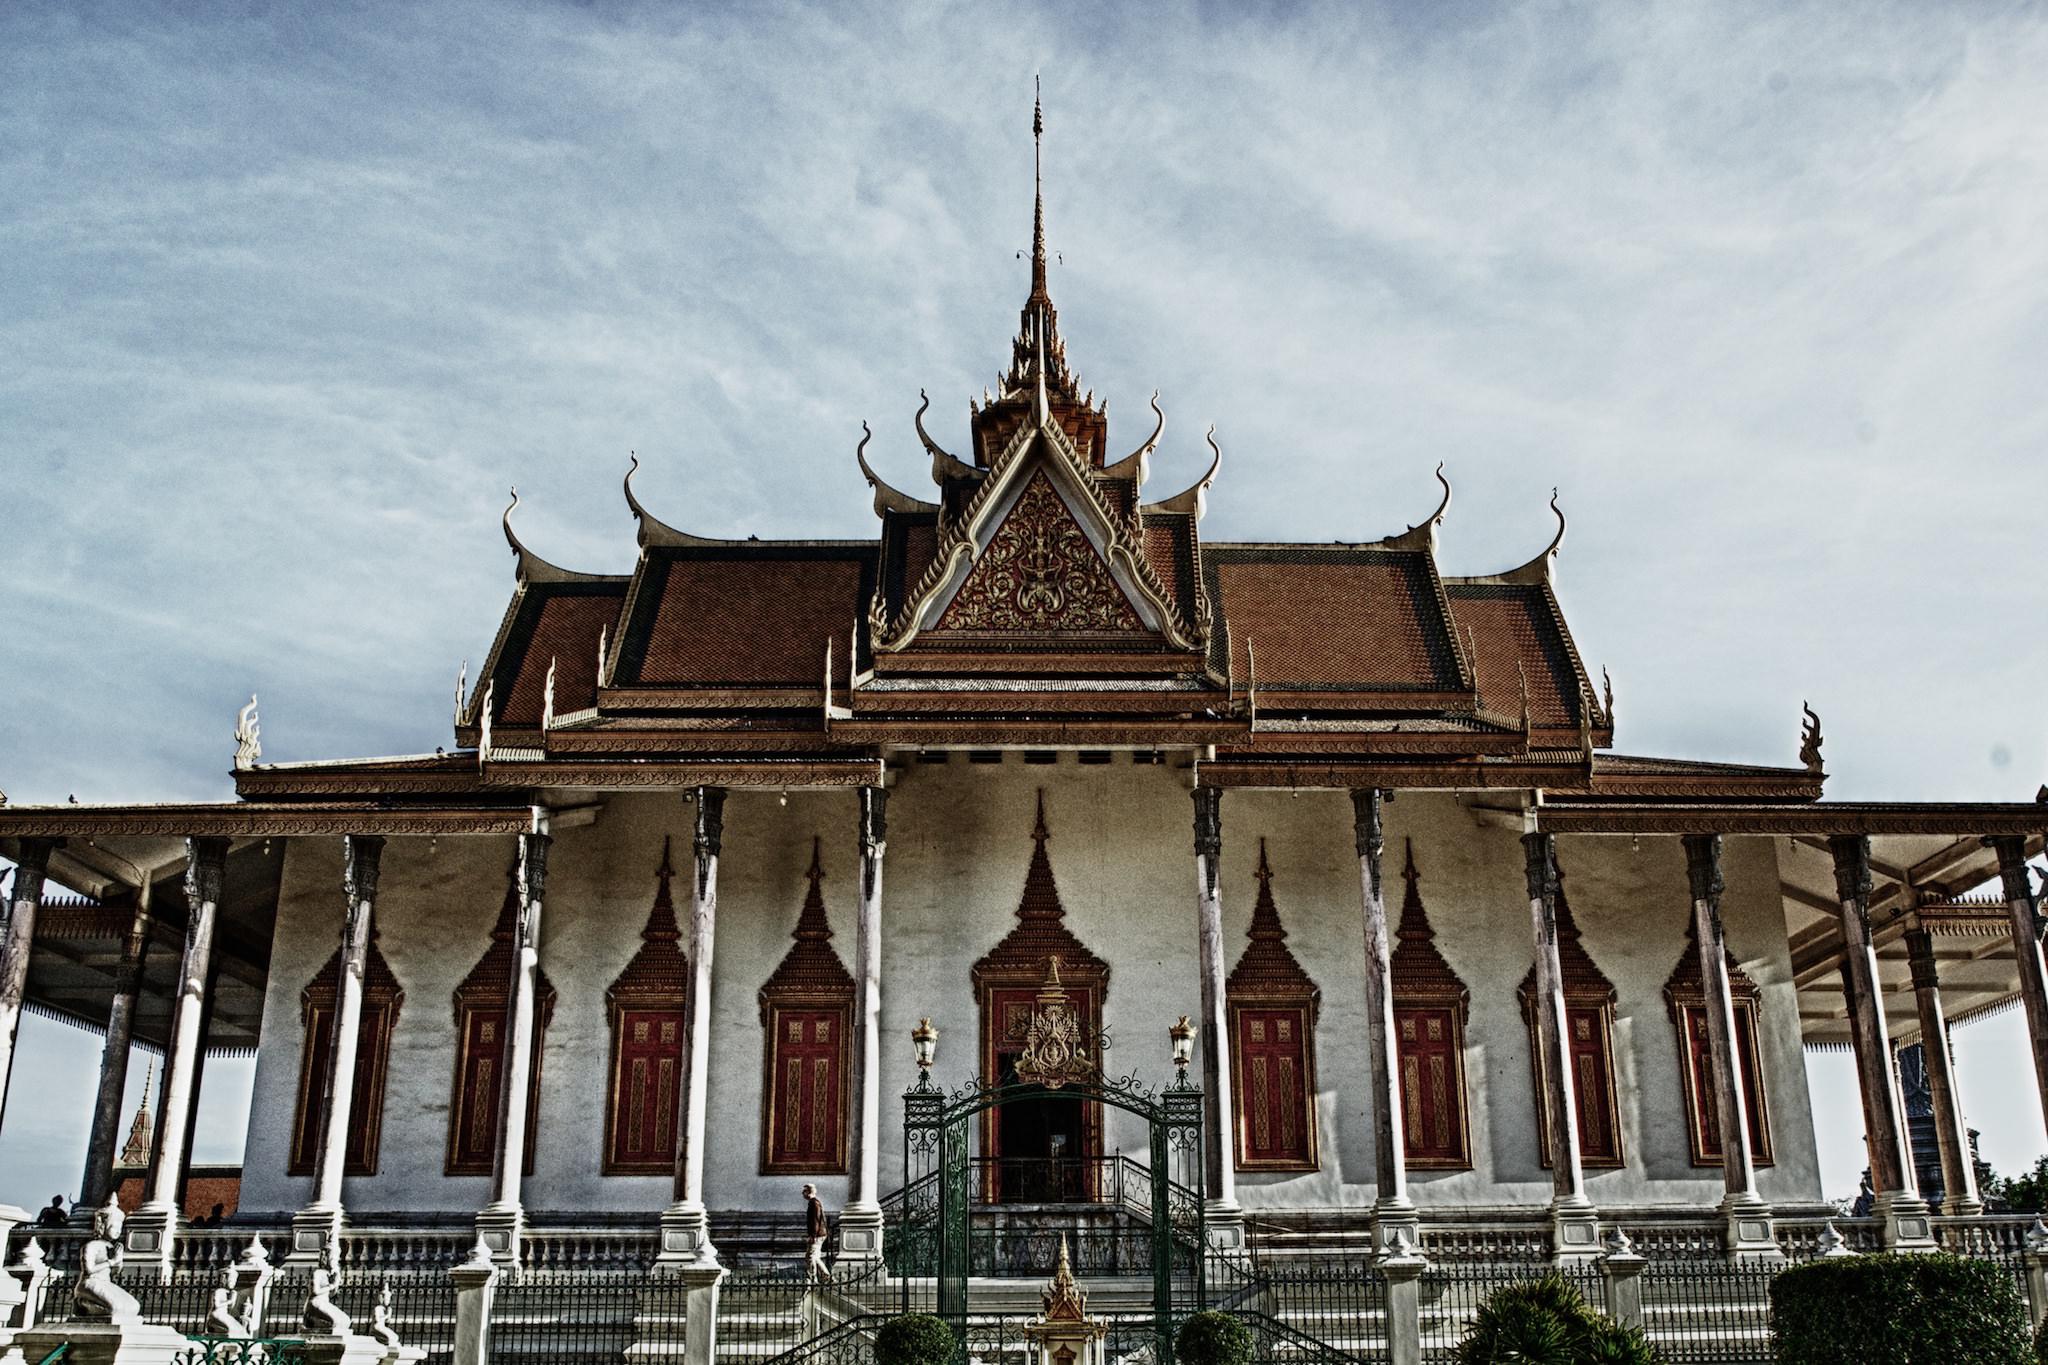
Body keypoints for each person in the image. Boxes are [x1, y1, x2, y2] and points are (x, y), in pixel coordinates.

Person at [802, 1183, 829, 1284]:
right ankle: (826, 1277)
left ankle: (813, 1280)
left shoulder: (814, 1203)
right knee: (815, 1257)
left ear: (809, 1192)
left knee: (810, 1257)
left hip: (817, 1235)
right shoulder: (814, 1202)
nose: (802, 1193)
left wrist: (813, 1236)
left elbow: (815, 1220)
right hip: (820, 1234)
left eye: (804, 1191)